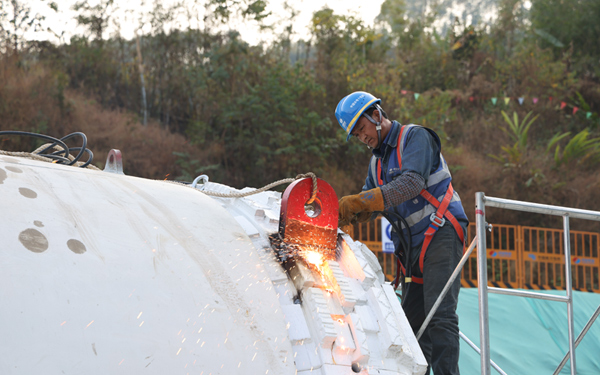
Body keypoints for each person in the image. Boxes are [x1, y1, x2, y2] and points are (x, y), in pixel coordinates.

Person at [335, 91, 468, 375]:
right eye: (356, 135)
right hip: (412, 248)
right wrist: (345, 216)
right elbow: (370, 204)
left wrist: (360, 201)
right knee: (410, 328)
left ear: (377, 115)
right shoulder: (376, 163)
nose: (363, 138)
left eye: (362, 129)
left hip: (441, 232)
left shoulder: (416, 138)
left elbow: (410, 184)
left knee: (440, 316)